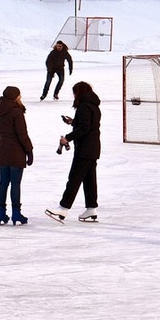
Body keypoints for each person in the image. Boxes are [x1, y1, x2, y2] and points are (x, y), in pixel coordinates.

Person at [46, 81, 102, 223]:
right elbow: (88, 124)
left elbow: (85, 128)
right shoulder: (94, 106)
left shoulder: (84, 106)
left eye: (74, 92)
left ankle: (63, 208)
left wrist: (67, 138)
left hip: (85, 149)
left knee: (74, 178)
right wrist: (73, 122)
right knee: (89, 180)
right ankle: (91, 208)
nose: (74, 95)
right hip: (93, 148)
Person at [0, 86, 34, 225]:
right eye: (19, 95)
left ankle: (1, 213)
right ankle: (16, 213)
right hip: (16, 153)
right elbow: (22, 134)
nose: (20, 97)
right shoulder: (16, 112)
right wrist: (29, 151)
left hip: (3, 152)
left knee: (3, 183)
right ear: (14, 97)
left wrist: (2, 143)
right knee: (15, 184)